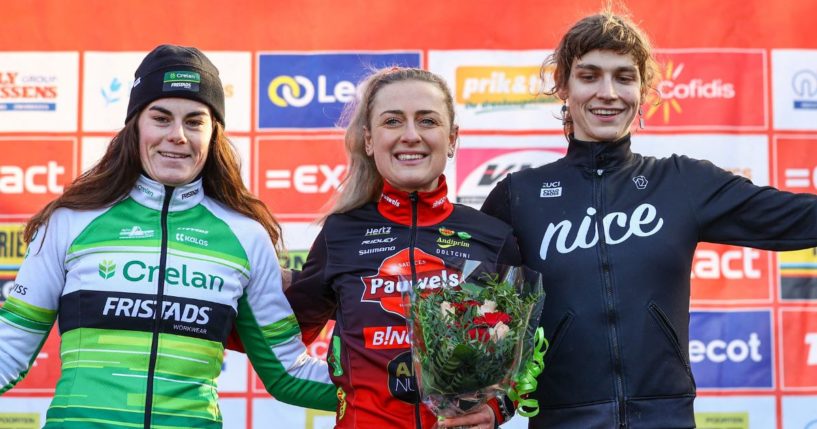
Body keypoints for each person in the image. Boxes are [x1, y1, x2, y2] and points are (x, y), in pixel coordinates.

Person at [481, 11, 817, 429]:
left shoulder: (680, 182)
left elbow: (801, 218)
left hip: (666, 417)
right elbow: (476, 319)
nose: (608, 93)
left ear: (643, 90)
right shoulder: (518, 196)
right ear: (563, 87)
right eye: (590, 76)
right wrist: (488, 402)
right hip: (562, 420)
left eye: (624, 77)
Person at [0, 45, 335, 428]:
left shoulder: (245, 236)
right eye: (161, 118)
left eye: (194, 121)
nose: (177, 135)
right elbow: (8, 353)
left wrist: (405, 387)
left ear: (213, 134)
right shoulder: (71, 222)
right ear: (136, 125)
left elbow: (289, 373)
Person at [284, 67, 521, 429]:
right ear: (368, 140)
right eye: (392, 121)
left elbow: (531, 354)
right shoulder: (340, 234)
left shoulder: (491, 235)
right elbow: (279, 338)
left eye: (427, 121)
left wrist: (497, 408)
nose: (411, 135)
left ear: (453, 138)